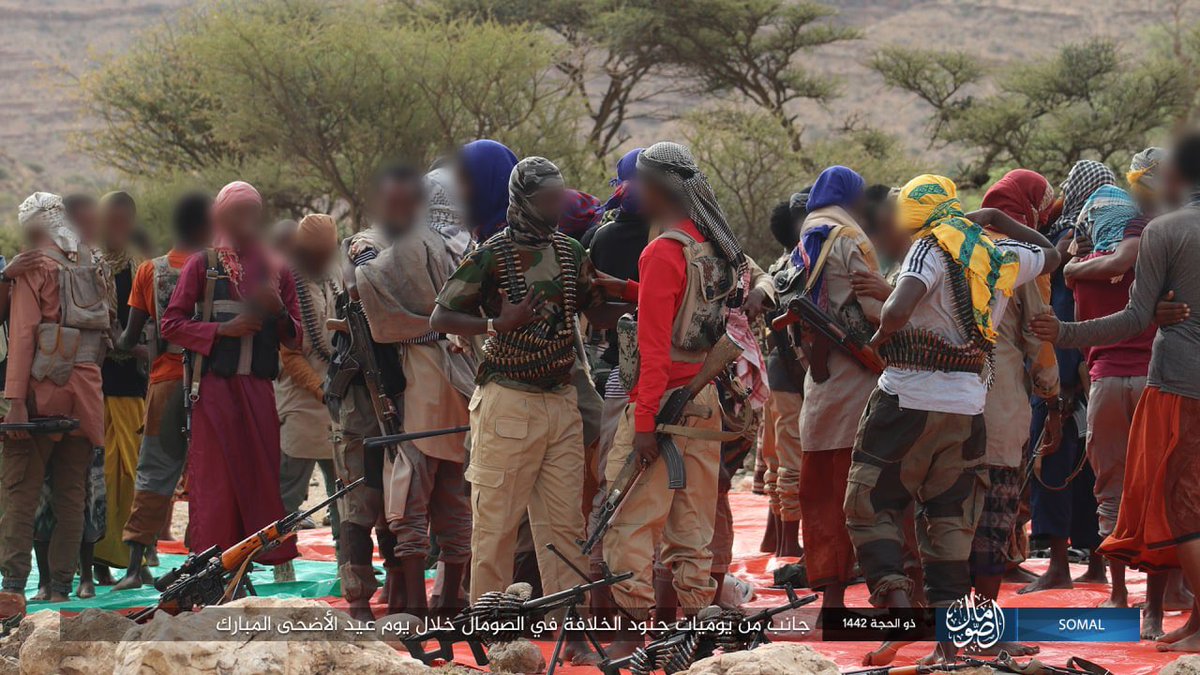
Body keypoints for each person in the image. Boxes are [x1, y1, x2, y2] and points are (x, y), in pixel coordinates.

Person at [432, 155, 627, 664]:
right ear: (524, 200)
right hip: (508, 401)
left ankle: (572, 632)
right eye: (548, 199)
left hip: (561, 401)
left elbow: (592, 306)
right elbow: (443, 313)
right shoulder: (493, 254)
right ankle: (494, 642)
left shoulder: (570, 250)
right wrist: (499, 322)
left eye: (561, 197)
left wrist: (641, 298)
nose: (557, 206)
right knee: (495, 525)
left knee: (564, 528)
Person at [847, 176, 1059, 630]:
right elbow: (1052, 254)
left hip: (906, 399)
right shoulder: (1000, 255)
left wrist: (881, 337)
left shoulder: (928, 247)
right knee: (949, 522)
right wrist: (996, 220)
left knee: (870, 503)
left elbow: (899, 309)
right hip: (967, 409)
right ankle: (948, 638)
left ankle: (902, 617)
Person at [1031, 131, 1200, 651]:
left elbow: (1132, 317)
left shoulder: (1163, 233)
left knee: (1149, 499)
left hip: (1167, 381)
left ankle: (1130, 605)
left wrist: (1067, 333)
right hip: (1159, 374)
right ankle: (1169, 611)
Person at [583, 141, 743, 654]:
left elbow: (653, 349)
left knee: (628, 524)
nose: (632, 191)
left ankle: (630, 644)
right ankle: (690, 642)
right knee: (692, 526)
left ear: (658, 188)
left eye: (640, 183)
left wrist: (646, 422)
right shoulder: (710, 245)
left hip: (660, 402)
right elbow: (686, 304)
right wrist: (631, 288)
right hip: (702, 402)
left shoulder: (661, 251)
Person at [350, 166, 476, 620]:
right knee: (455, 497)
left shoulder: (415, 242)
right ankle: (448, 604)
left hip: (422, 382)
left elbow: (367, 284)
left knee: (410, 493)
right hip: (465, 382)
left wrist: (361, 252)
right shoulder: (472, 244)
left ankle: (417, 612)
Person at [160, 181, 301, 574]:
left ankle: (273, 557)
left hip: (258, 390)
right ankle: (213, 566)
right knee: (216, 482)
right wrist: (223, 330)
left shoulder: (277, 269)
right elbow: (171, 324)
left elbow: (296, 339)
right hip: (213, 392)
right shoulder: (202, 264)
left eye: (251, 213)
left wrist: (277, 312)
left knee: (261, 474)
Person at [0, 193, 109, 616]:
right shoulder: (90, 261)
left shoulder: (33, 266)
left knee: (19, 493)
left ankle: (12, 589)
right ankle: (62, 587)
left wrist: (15, 401)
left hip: (42, 392)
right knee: (71, 495)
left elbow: (25, 334)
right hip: (87, 391)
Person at [326, 167, 421, 620]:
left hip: (399, 392)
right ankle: (359, 597)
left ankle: (399, 587)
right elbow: (362, 287)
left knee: (397, 496)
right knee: (360, 499)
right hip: (361, 396)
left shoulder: (415, 245)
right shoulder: (365, 246)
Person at [971, 171, 1061, 636]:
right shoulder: (1019, 258)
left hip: (941, 405)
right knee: (993, 517)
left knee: (944, 516)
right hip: (999, 403)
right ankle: (980, 629)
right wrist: (1052, 394)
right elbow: (1038, 337)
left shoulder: (950, 246)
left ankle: (936, 624)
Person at [1021, 160, 1117, 595]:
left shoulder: (1066, 237)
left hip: (1061, 367)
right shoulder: (1107, 238)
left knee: (1055, 468)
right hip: (1092, 365)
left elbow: (1056, 309)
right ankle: (1094, 564)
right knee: (1089, 472)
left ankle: (1060, 566)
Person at [112, 192, 212, 591]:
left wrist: (115, 339)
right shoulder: (218, 268)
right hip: (210, 384)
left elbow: (128, 338)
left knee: (154, 471)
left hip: (165, 382)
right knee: (205, 471)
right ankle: (203, 560)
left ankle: (136, 564)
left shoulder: (150, 271)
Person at [792, 165, 881, 614]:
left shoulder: (807, 238)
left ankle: (832, 598)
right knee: (863, 490)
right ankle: (891, 598)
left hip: (819, 379)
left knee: (820, 491)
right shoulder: (850, 239)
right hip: (857, 376)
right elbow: (870, 305)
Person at [274, 214, 342, 581]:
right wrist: (319, 390)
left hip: (337, 400)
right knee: (289, 493)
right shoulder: (286, 281)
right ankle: (281, 563)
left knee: (345, 494)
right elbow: (290, 353)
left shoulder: (334, 278)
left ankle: (349, 565)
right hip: (302, 401)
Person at [93, 191, 149, 580]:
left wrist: (138, 347)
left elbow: (151, 322)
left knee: (131, 475)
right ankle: (95, 561)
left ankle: (131, 558)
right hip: (92, 384)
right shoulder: (85, 266)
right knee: (95, 475)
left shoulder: (140, 269)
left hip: (131, 386)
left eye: (122, 220)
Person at [762, 193, 807, 557]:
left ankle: (777, 539)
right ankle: (789, 546)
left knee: (778, 457)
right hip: (792, 371)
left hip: (777, 370)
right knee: (790, 457)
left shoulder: (779, 264)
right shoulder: (799, 265)